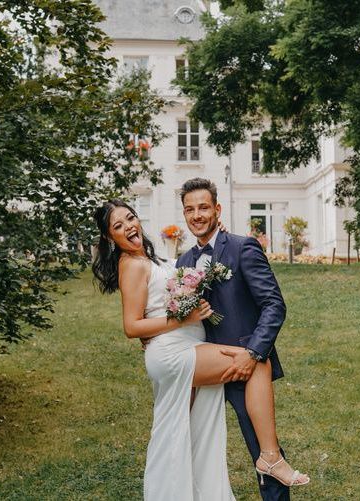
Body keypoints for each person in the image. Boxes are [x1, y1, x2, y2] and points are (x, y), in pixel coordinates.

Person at [92, 199, 309, 501]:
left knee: (184, 432)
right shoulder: (130, 264)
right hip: (173, 353)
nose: (128, 226)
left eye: (130, 218)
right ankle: (270, 458)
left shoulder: (156, 259)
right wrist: (182, 319)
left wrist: (217, 238)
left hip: (189, 346)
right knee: (256, 360)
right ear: (109, 237)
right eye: (118, 225)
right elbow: (131, 326)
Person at [176, 178, 297, 501]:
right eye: (190, 209)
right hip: (203, 368)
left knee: (264, 450)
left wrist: (253, 353)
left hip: (243, 367)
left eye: (203, 207)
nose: (197, 215)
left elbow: (274, 305)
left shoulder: (243, 247)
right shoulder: (183, 263)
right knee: (192, 444)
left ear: (217, 209)